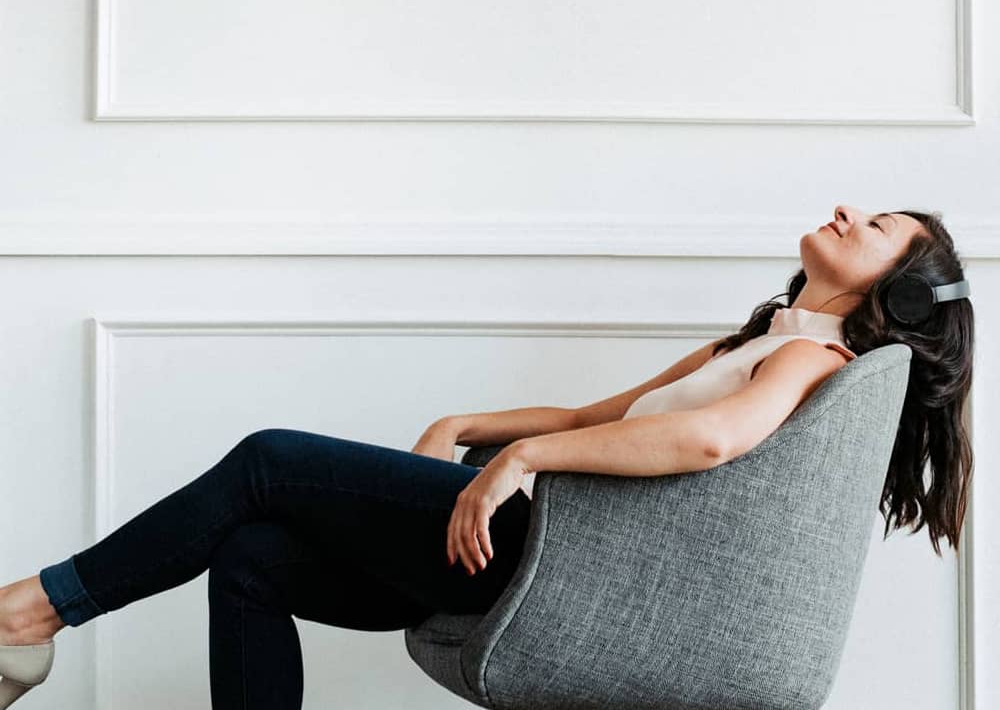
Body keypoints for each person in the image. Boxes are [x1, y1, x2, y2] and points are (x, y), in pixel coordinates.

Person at [0, 205, 973, 708]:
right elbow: (598, 412)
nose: (848, 212)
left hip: (550, 558)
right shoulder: (756, 340)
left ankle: (31, 613)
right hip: (512, 541)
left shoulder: (813, 359)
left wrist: (524, 459)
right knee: (253, 558)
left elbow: (710, 439)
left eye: (879, 227)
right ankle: (31, 620)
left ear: (899, 291)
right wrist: (469, 426)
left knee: (267, 461)